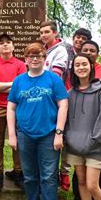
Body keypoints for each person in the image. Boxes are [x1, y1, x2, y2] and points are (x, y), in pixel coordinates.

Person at [7, 42, 68, 200]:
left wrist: (59, 133)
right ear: (25, 59)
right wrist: (12, 135)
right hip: (25, 135)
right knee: (30, 176)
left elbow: (63, 105)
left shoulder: (53, 79)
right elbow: (11, 107)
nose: (35, 59)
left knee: (49, 177)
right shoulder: (19, 81)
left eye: (39, 56)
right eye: (31, 56)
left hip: (49, 135)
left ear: (44, 59)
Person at [64, 53, 101, 200]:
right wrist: (69, 138)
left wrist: (94, 140)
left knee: (93, 184)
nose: (81, 67)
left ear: (91, 66)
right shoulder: (70, 94)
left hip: (94, 145)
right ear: (73, 69)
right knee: (82, 182)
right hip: (75, 145)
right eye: (77, 65)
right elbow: (66, 119)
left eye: (84, 64)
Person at [0, 33, 26, 193]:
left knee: (17, 142)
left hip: (17, 107)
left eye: (8, 42)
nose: (5, 45)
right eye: (1, 43)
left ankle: (18, 173)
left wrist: (0, 84)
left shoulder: (20, 65)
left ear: (13, 46)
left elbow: (22, 87)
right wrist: (13, 84)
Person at [39, 20, 70, 191]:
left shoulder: (60, 51)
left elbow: (55, 78)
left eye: (46, 32)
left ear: (55, 33)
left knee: (57, 140)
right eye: (41, 32)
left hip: (55, 102)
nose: (43, 35)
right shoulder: (44, 51)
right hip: (43, 103)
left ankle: (61, 174)